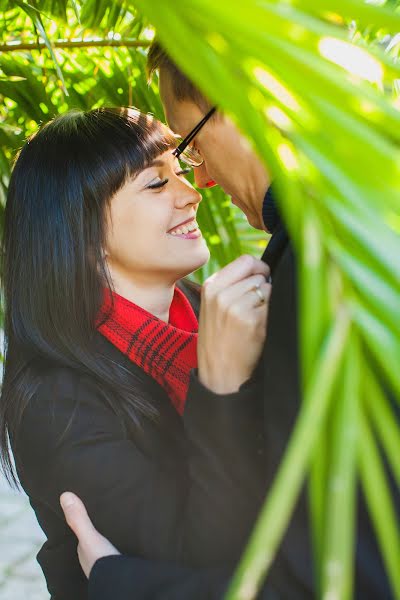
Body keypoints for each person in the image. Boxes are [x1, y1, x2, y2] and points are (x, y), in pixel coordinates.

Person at [61, 43, 399, 600]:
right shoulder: (344, 240)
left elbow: (339, 575)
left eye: (189, 150)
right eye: (157, 180)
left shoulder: (319, 270)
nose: (200, 188)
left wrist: (121, 583)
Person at [0, 107, 273, 600]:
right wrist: (223, 388)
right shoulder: (56, 403)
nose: (191, 195)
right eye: (155, 184)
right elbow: (203, 560)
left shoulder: (204, 312)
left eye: (180, 172)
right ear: (82, 233)